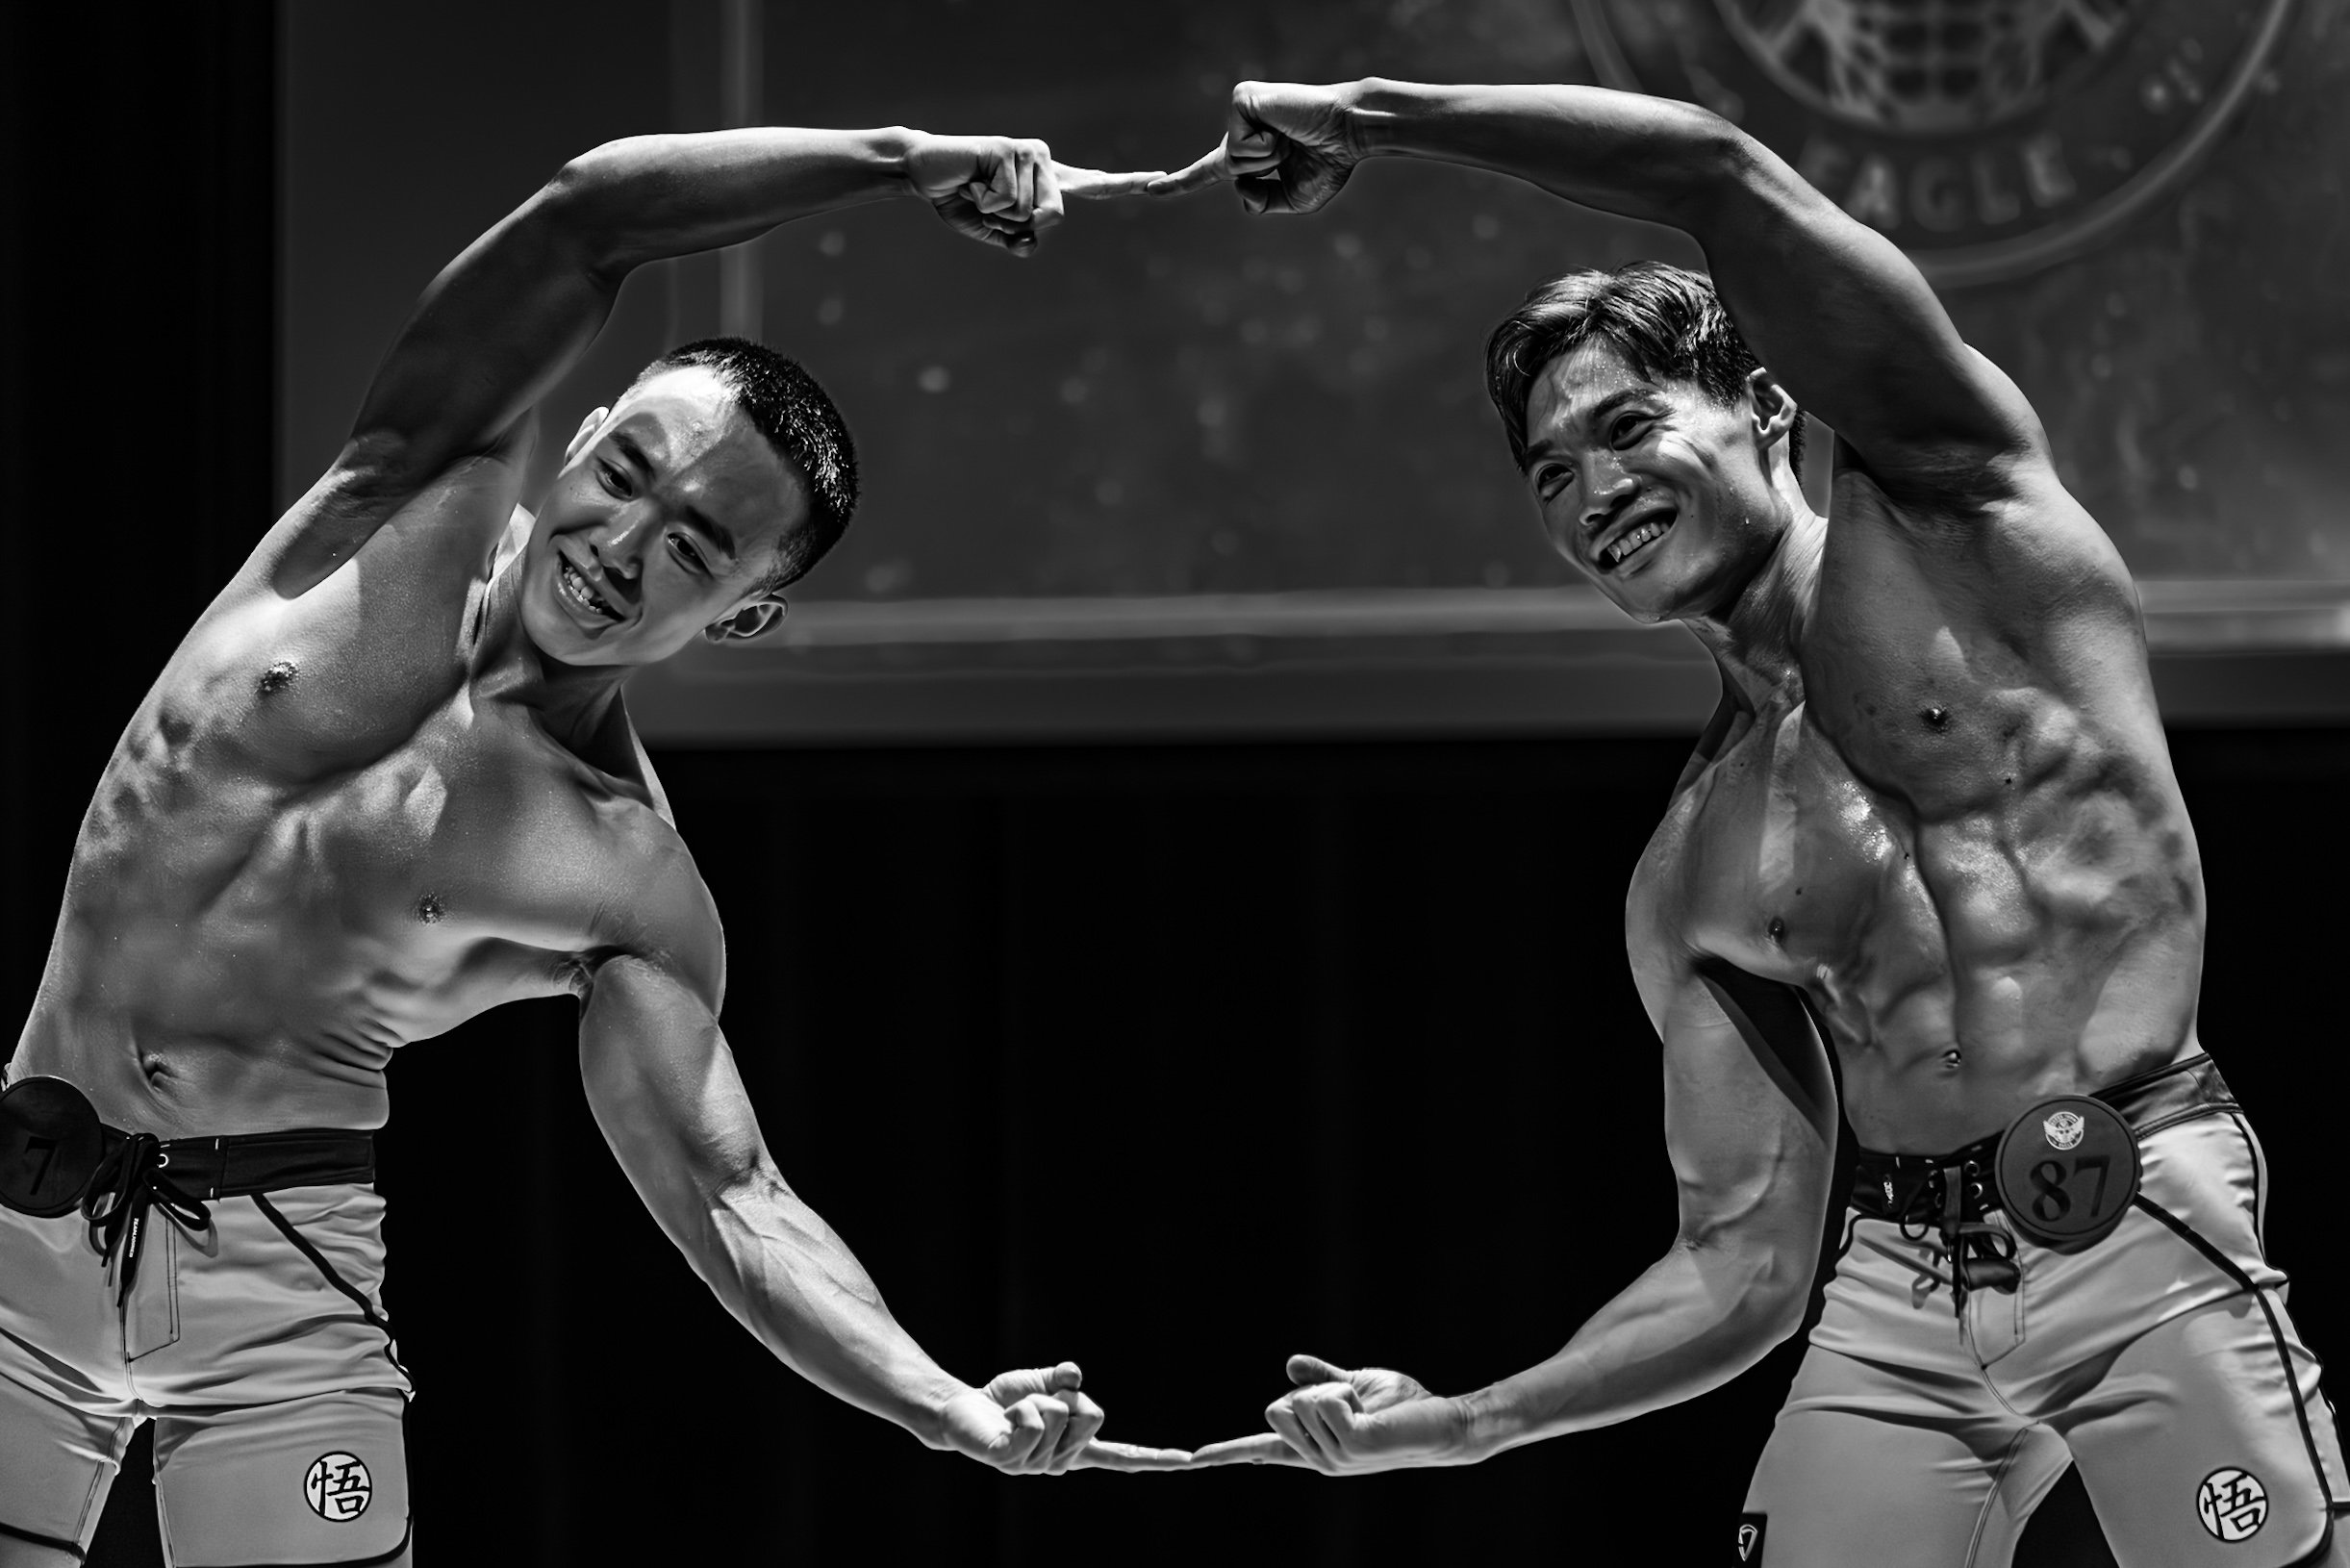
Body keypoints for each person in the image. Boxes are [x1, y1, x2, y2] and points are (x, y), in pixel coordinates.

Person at [1156, 81, 2349, 1565]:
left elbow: (1718, 172)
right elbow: (1739, 1261)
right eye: (1550, 472)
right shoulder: (1694, 868)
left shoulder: (1964, 515)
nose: (1594, 488)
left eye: (1628, 424)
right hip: (1902, 1284)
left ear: (1769, 408)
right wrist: (1471, 1418)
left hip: (2123, 1196)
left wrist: (1383, 118)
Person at [0, 125, 1185, 1567]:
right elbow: (590, 216)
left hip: (279, 1272)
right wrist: (895, 161)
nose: (622, 542)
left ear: (742, 614)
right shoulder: (404, 497)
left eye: (695, 547)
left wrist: (942, 1403)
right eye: (626, 472)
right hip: (23, 1205)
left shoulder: (625, 875)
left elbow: (730, 1198)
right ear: (576, 435)